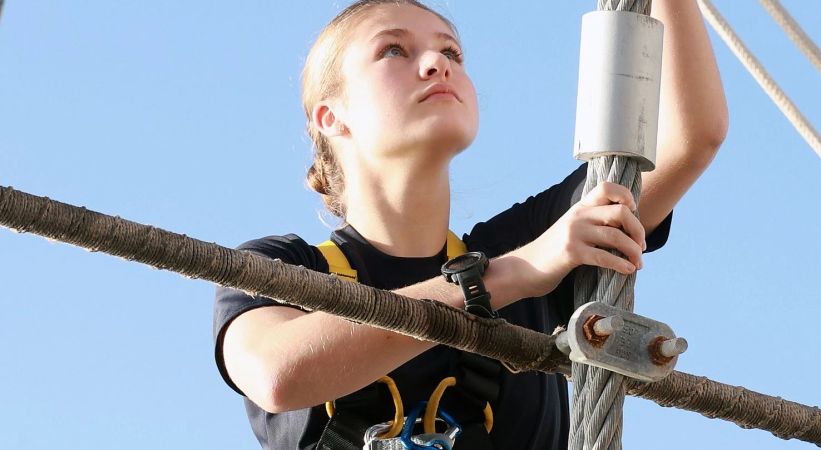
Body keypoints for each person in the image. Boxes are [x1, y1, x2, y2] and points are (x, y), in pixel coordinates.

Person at [213, 1, 727, 449]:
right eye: (394, 50)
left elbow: (687, 138)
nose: (437, 63)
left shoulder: (527, 241)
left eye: (452, 53)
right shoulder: (280, 268)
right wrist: (509, 277)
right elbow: (276, 374)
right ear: (332, 116)